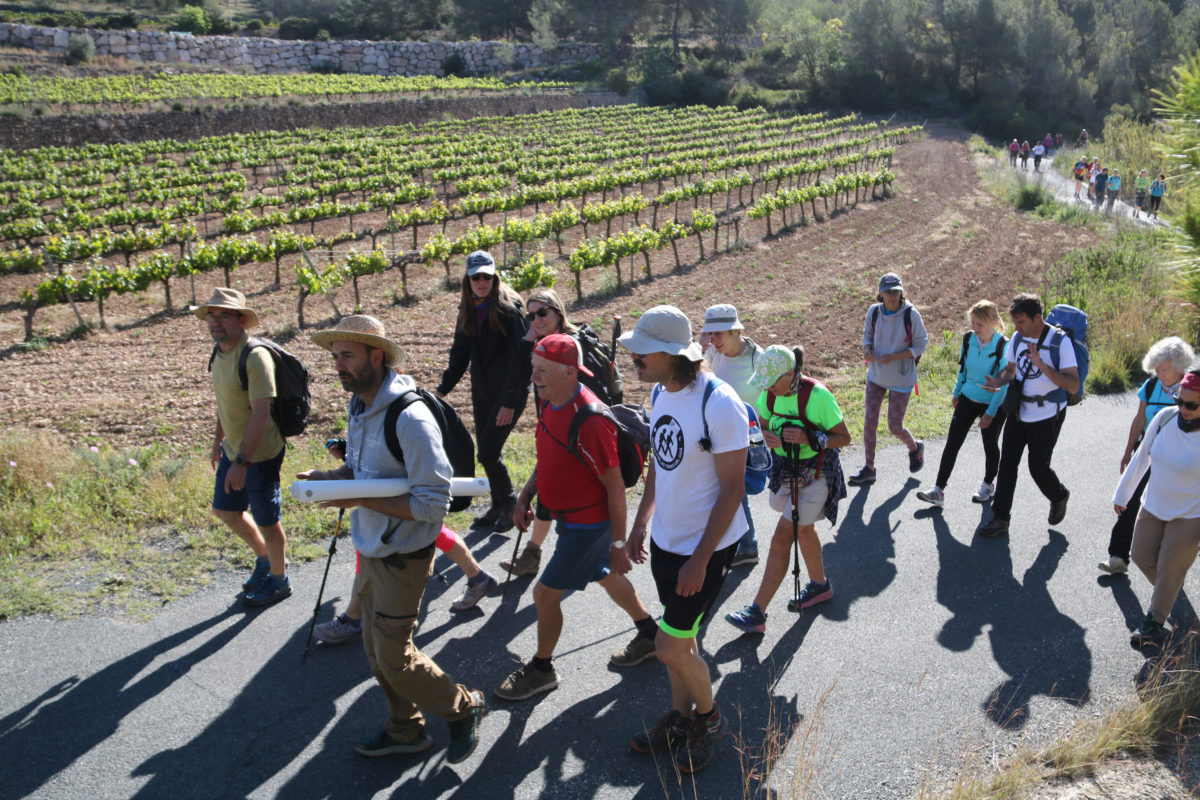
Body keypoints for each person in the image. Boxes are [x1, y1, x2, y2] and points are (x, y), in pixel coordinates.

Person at [300, 314, 486, 763]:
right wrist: (331, 481)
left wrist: (356, 496)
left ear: (375, 356)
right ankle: (405, 729)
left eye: (347, 356)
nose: (338, 365)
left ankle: (463, 707)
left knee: (395, 656)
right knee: (375, 652)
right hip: (373, 547)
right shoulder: (361, 406)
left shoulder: (411, 418)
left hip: (405, 554)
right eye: (335, 356)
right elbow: (366, 474)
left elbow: (430, 505)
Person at [620, 305, 748, 774]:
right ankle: (679, 719)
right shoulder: (659, 391)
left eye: (643, 350)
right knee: (683, 638)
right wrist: (641, 524)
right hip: (666, 540)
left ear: (673, 354)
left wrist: (699, 559)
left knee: (670, 646)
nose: (633, 356)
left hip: (707, 548)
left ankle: (709, 721)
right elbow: (661, 461)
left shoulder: (718, 402)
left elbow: (733, 490)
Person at [496, 334, 659, 701]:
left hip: (589, 527)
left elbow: (615, 488)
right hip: (572, 520)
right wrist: (525, 496)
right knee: (604, 574)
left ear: (570, 372)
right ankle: (650, 633)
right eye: (533, 369)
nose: (534, 377)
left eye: (543, 370)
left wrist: (618, 544)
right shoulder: (551, 402)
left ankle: (541, 669)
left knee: (544, 594)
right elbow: (549, 453)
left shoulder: (590, 419)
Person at [312, 438, 500, 647]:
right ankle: (479, 578)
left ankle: (353, 617)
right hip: (394, 478)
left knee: (386, 534)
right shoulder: (367, 407)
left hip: (405, 479)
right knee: (431, 530)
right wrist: (350, 452)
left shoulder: (407, 410)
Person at [725, 345, 850, 633]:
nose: (767, 386)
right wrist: (768, 438)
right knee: (804, 531)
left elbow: (843, 437)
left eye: (772, 381)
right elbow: (766, 426)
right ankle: (820, 586)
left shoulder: (817, 396)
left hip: (818, 474)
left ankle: (757, 612)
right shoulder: (769, 394)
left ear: (791, 374)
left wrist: (810, 438)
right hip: (787, 472)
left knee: (782, 538)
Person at [501, 287, 617, 578]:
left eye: (542, 312)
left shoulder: (570, 347)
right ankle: (538, 555)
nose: (536, 319)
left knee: (555, 491)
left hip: (575, 427)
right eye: (531, 315)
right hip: (553, 423)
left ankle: (582, 556)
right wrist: (528, 340)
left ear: (558, 312)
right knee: (550, 489)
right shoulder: (540, 344)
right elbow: (517, 375)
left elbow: (581, 393)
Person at [193, 288, 291, 608]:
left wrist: (242, 461)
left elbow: (261, 415)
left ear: (241, 320)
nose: (215, 321)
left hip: (258, 454)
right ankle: (265, 560)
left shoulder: (255, 356)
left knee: (266, 519)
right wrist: (217, 443)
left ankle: (279, 581)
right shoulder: (219, 353)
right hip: (235, 450)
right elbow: (226, 405)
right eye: (212, 315)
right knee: (226, 510)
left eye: (224, 315)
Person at [437, 250, 529, 533]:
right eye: (476, 276)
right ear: (468, 279)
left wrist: (510, 402)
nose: (481, 281)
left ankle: (512, 504)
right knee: (490, 450)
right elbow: (459, 355)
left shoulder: (509, 309)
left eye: (486, 276)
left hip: (508, 395)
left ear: (494, 277)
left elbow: (521, 359)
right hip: (483, 392)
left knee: (488, 453)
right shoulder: (468, 309)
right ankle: (497, 505)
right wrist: (440, 392)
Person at [977, 294, 1078, 538]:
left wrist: (1042, 365)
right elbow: (1011, 370)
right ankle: (1001, 518)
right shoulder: (1018, 339)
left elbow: (1073, 385)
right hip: (1020, 411)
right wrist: (997, 381)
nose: (1017, 328)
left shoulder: (1059, 342)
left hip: (1047, 415)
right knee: (1008, 464)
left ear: (1037, 318)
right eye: (1015, 322)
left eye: (1021, 322)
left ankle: (1059, 495)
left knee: (1037, 467)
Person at [1113, 370, 1200, 646]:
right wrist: (1123, 494)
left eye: (1191, 405)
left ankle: (1154, 623)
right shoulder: (1165, 418)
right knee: (1139, 555)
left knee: (1169, 564)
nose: (1183, 408)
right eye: (1180, 401)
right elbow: (1142, 457)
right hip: (1153, 504)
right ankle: (1170, 585)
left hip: (1190, 513)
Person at [1099, 337, 1196, 575]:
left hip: (1177, 459)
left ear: (1180, 367)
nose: (1159, 374)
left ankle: (1168, 563)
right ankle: (1118, 556)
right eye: (1157, 369)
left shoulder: (1192, 390)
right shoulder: (1151, 386)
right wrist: (1128, 450)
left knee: (1166, 506)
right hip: (1148, 451)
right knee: (1129, 500)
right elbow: (1140, 419)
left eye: (1164, 369)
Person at [916, 301, 1009, 508]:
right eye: (973, 323)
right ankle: (938, 491)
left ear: (994, 322)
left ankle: (988, 484)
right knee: (953, 443)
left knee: (990, 444)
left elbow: (1003, 385)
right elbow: (963, 368)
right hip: (968, 397)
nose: (975, 329)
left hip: (992, 402)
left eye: (980, 325)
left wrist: (991, 413)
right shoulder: (968, 339)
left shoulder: (1004, 345)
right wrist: (957, 392)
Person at [698, 303, 764, 567]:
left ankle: (747, 545)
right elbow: (702, 376)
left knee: (733, 488)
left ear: (736, 331)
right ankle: (743, 544)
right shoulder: (715, 352)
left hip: (748, 435)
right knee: (727, 488)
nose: (713, 340)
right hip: (720, 429)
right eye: (709, 334)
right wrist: (701, 350)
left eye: (718, 334)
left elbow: (771, 395)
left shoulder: (755, 358)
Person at [849, 272, 929, 486]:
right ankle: (869, 468)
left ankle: (914, 447)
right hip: (876, 375)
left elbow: (922, 344)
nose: (893, 296)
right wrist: (866, 349)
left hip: (902, 378)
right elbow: (867, 334)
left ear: (902, 292)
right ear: (880, 293)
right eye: (888, 292)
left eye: (896, 292)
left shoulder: (911, 315)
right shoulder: (874, 312)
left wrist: (895, 356)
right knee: (869, 422)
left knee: (894, 426)